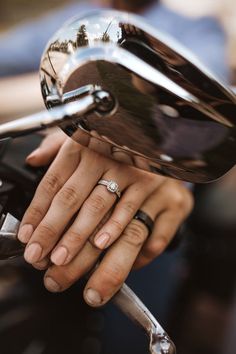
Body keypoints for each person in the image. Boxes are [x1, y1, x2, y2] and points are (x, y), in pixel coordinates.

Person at [0, 1, 230, 353]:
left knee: (137, 216)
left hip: (156, 181)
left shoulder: (192, 30)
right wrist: (78, 103)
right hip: (35, 161)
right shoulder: (75, 22)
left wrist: (153, 166)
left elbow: (199, 115)